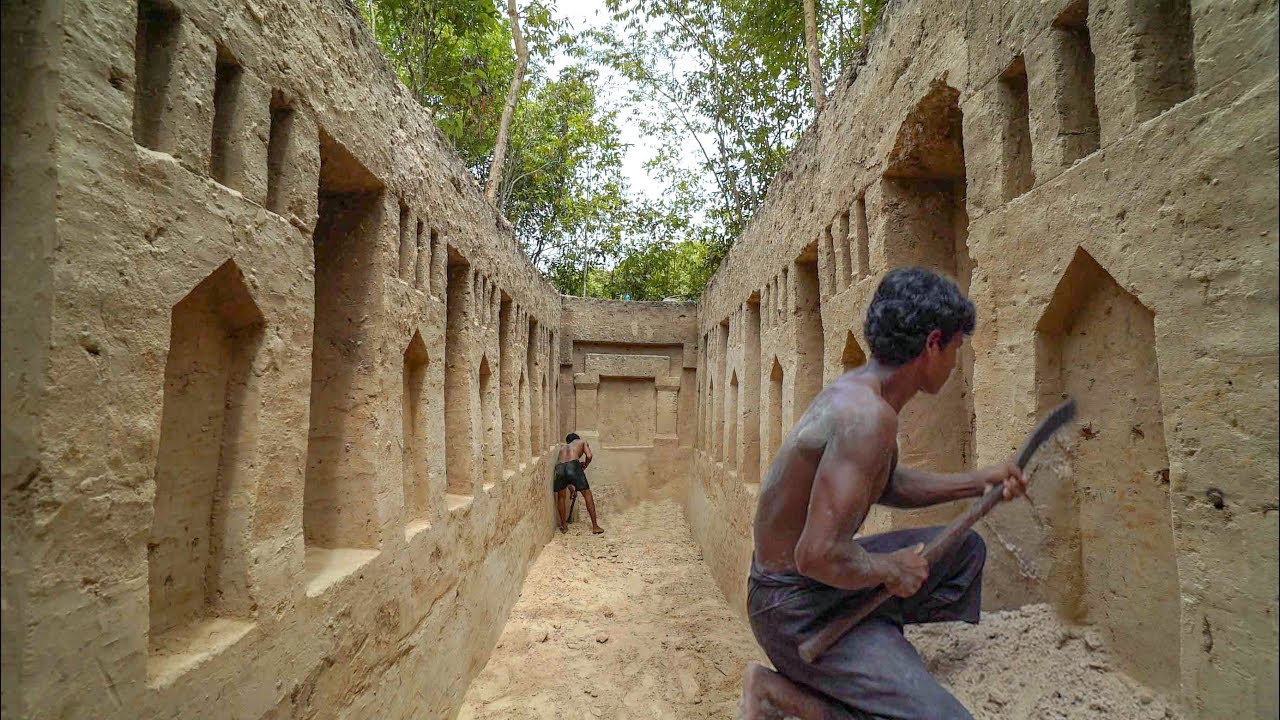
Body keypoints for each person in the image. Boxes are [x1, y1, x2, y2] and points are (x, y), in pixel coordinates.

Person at [740, 267, 1028, 720]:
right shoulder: (868, 418)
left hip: (808, 583)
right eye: (956, 348)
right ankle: (780, 694)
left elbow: (885, 483)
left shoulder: (862, 392)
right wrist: (890, 569)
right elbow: (816, 555)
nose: (955, 362)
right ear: (933, 343)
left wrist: (979, 481)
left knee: (963, 549)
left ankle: (873, 643)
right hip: (792, 607)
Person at [554, 433, 604, 535]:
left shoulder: (563, 447)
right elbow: (589, 456)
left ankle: (564, 526)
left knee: (561, 497)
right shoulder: (582, 442)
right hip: (573, 465)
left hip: (559, 467)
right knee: (587, 494)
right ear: (577, 439)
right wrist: (585, 464)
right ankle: (595, 526)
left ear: (568, 441)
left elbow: (566, 472)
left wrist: (572, 489)